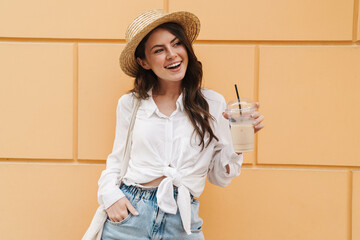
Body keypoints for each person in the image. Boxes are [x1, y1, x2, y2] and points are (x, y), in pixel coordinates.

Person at [98, 9, 264, 240]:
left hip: (183, 222)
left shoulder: (213, 104)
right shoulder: (131, 104)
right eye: (159, 50)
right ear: (143, 62)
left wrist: (238, 143)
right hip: (130, 218)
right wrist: (110, 197)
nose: (172, 54)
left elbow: (219, 177)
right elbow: (117, 161)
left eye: (177, 44)